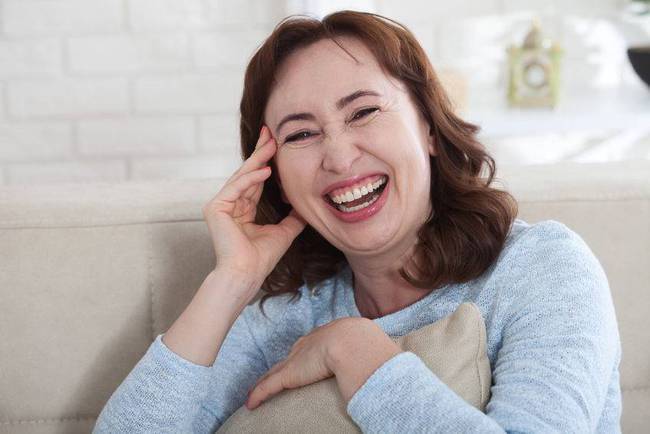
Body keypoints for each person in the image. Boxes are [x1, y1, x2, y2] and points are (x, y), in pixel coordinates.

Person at [93, 10, 621, 433]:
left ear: (430, 129)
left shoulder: (542, 267)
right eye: (300, 134)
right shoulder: (288, 315)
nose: (340, 158)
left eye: (364, 111)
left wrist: (356, 351)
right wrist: (231, 281)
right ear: (274, 174)